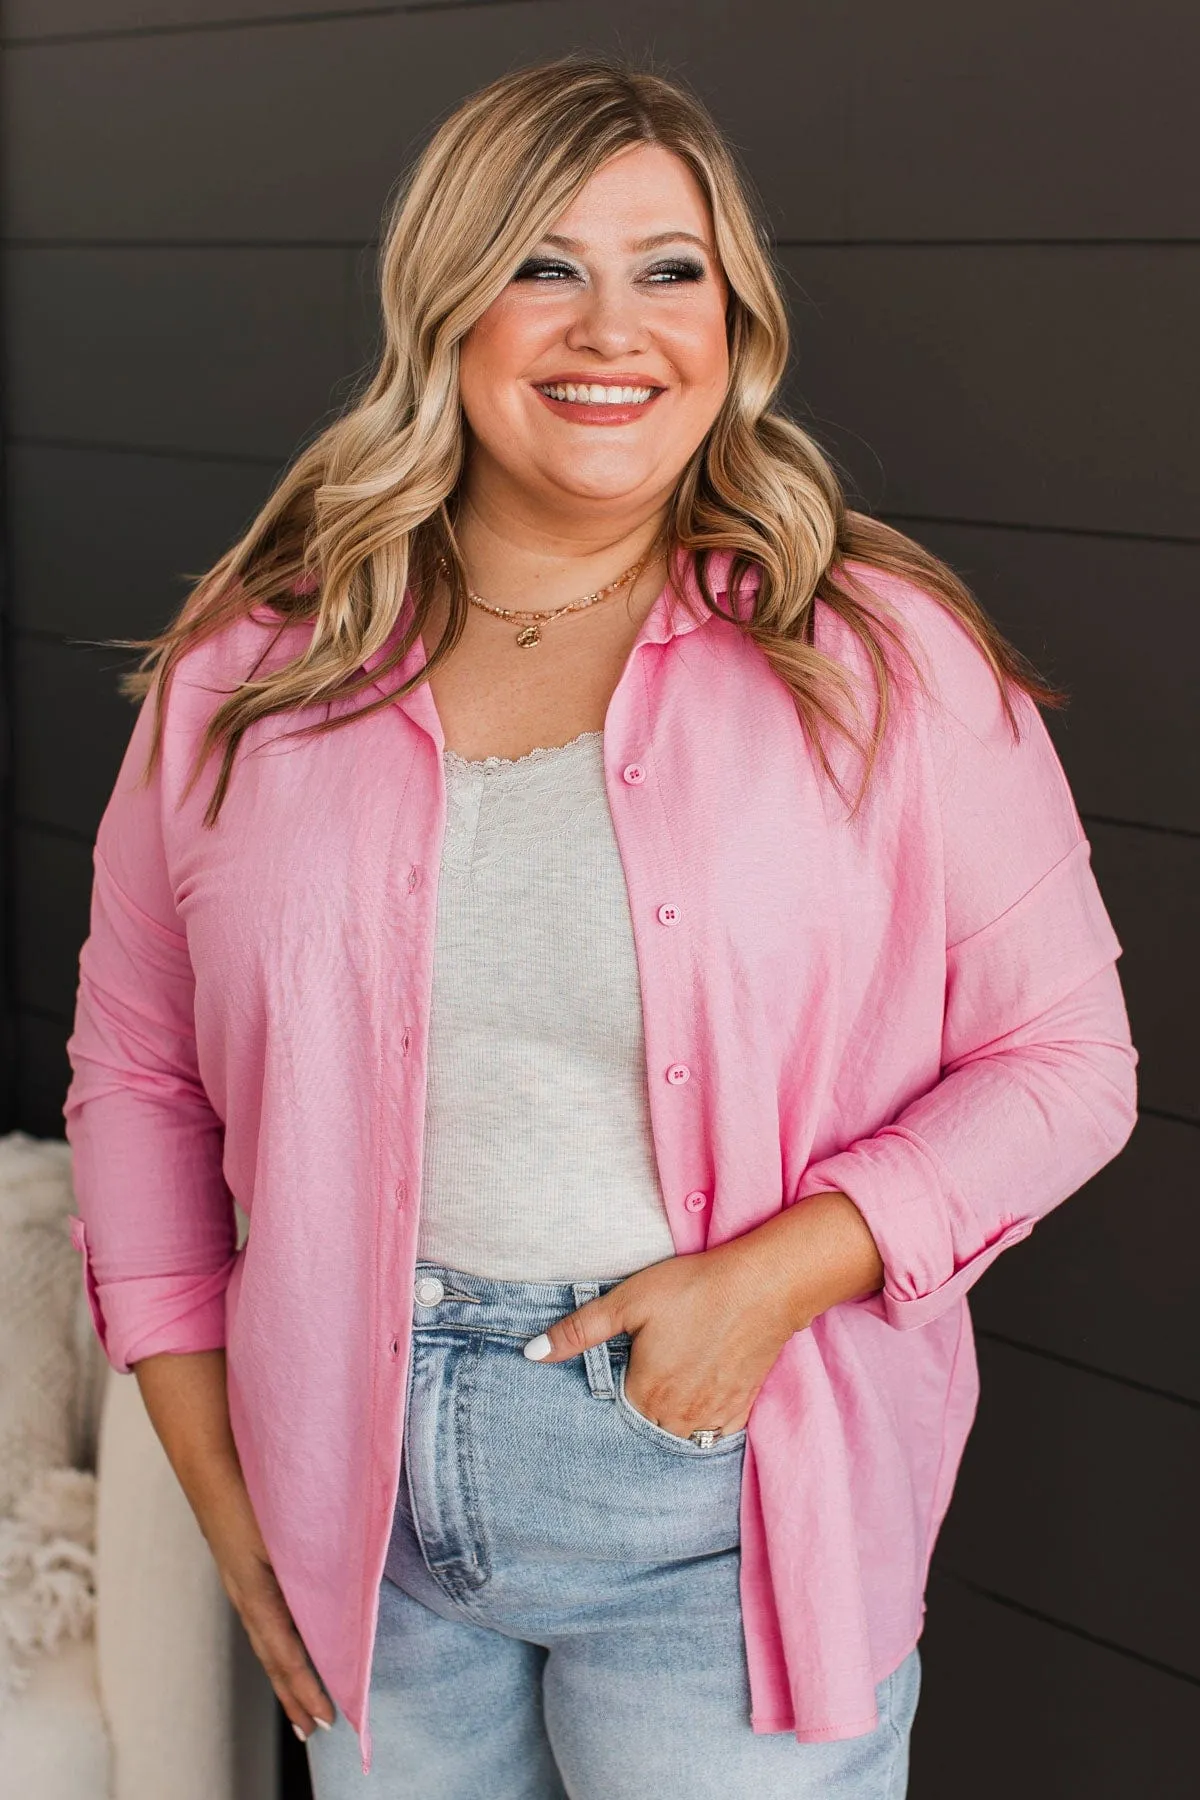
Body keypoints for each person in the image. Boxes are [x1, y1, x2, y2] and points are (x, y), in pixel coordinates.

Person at [62, 55, 1137, 1800]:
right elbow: (137, 1071)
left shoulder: (880, 652)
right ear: (448, 302)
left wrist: (765, 1287)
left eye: (670, 267)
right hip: (359, 1495)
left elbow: (1069, 1062)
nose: (609, 325)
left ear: (735, 318)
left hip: (726, 1483)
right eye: (544, 263)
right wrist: (217, 1473)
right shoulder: (251, 665)